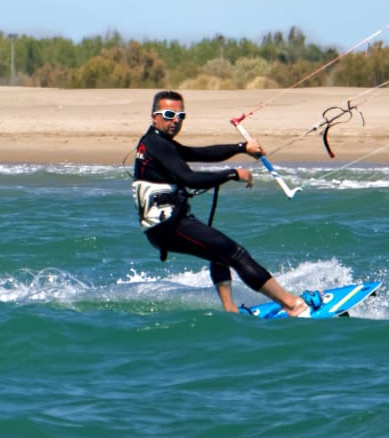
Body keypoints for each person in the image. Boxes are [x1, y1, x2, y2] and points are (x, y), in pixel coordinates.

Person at [132, 90, 319, 316]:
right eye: (169, 114)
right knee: (235, 253)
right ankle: (293, 305)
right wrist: (231, 174)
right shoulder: (156, 144)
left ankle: (230, 311)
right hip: (168, 226)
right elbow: (189, 179)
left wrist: (240, 148)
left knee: (219, 253)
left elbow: (199, 153)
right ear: (154, 116)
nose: (175, 121)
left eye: (180, 116)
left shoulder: (159, 143)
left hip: (167, 224)